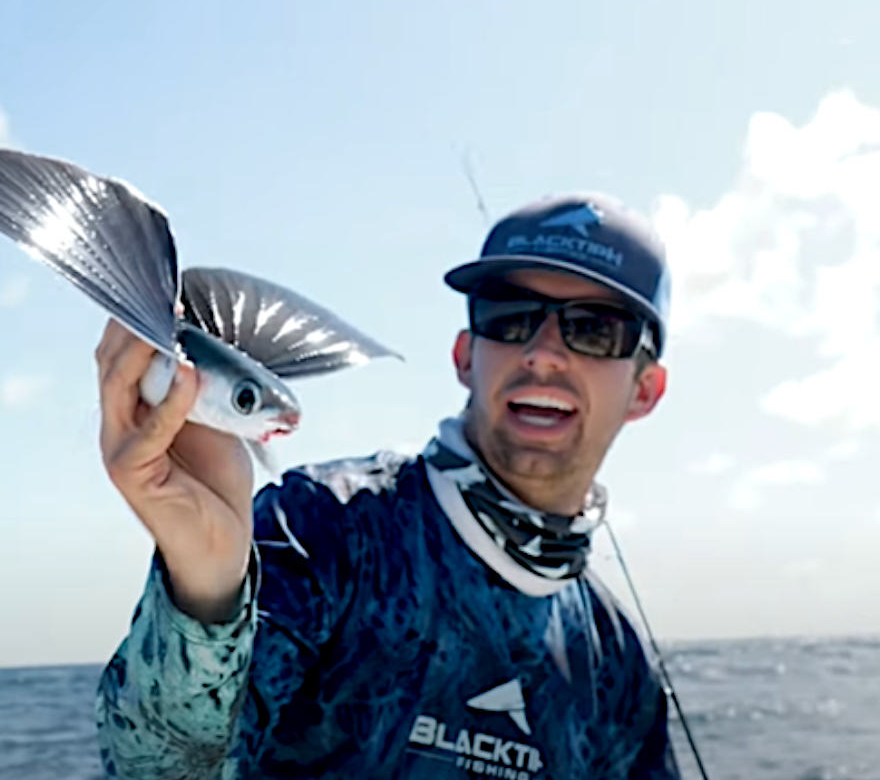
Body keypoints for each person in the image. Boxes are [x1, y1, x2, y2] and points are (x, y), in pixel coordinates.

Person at [92, 191, 681, 779]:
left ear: (645, 391)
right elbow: (156, 770)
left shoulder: (620, 666)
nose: (544, 352)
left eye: (596, 329)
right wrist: (207, 595)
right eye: (510, 315)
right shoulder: (320, 530)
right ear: (465, 354)